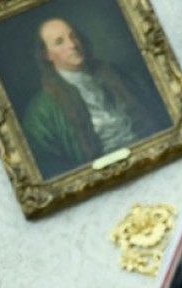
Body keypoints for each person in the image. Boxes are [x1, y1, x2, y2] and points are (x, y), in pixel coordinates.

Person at [21, 18, 164, 179]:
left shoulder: (120, 75)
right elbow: (53, 167)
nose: (72, 45)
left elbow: (159, 113)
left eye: (73, 36)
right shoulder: (40, 111)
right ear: (47, 54)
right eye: (60, 42)